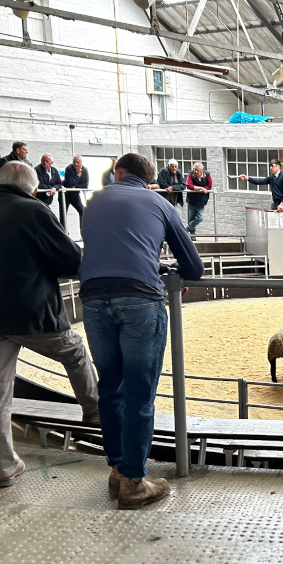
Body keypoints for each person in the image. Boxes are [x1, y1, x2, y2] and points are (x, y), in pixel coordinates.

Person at [0, 161, 100, 488]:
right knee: (75, 353)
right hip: (30, 312)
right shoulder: (34, 210)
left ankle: (4, 467)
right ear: (33, 188)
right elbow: (70, 261)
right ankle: (93, 411)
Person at [79, 153, 204, 509]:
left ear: (118, 174)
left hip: (93, 299)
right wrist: (164, 267)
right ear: (149, 179)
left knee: (111, 387)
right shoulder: (159, 202)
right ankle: (134, 482)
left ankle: (118, 470)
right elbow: (192, 267)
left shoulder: (95, 200)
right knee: (140, 392)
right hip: (139, 299)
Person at [184, 161, 212, 235]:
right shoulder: (190, 174)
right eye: (194, 169)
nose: (195, 171)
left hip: (201, 200)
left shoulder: (207, 174)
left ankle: (185, 230)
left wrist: (203, 189)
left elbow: (209, 186)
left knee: (200, 217)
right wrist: (201, 188)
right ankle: (193, 234)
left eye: (197, 170)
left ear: (202, 170)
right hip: (191, 199)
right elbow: (189, 185)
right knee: (191, 218)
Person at [62, 155, 89, 222]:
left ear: (81, 163)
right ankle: (63, 231)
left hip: (75, 195)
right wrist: (78, 175)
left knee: (82, 211)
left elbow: (85, 185)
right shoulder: (69, 168)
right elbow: (70, 184)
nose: (75, 164)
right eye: (74, 162)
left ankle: (82, 230)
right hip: (66, 195)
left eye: (77, 162)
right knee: (63, 214)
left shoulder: (85, 170)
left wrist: (75, 186)